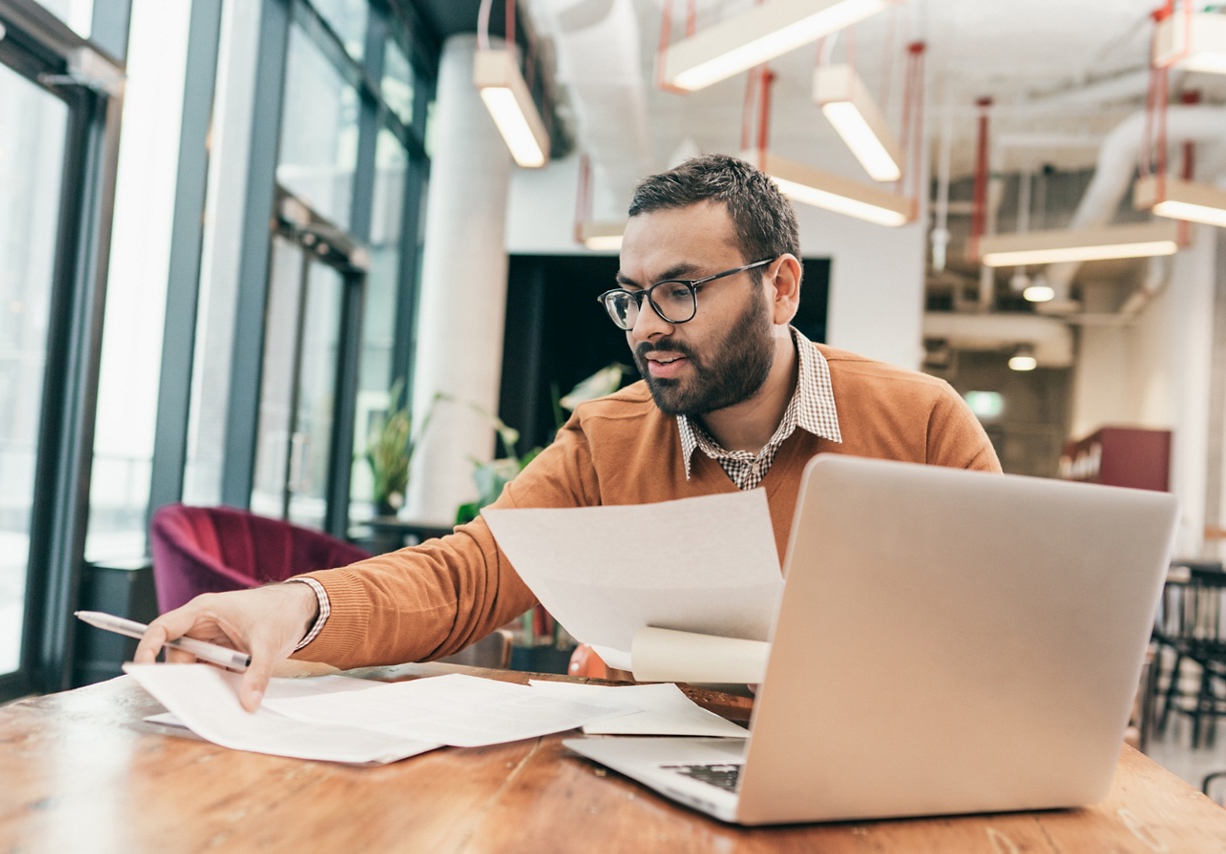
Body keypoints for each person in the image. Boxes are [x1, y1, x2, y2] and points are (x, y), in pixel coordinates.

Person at [136, 154, 1001, 710]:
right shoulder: (607, 438)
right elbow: (467, 575)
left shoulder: (921, 424)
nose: (646, 327)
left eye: (681, 289)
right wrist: (298, 604)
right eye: (631, 295)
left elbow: (998, 634)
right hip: (664, 771)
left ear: (779, 288)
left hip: (870, 770)